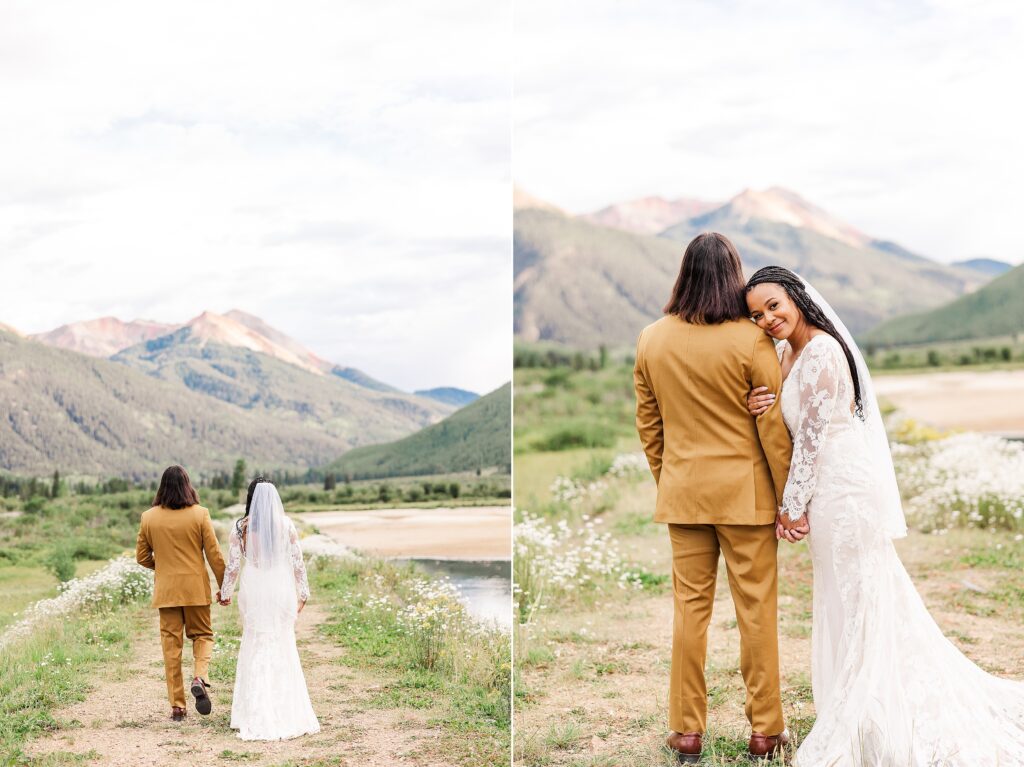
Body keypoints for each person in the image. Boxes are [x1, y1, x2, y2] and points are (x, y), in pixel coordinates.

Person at [744, 265, 1024, 765]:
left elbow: (809, 440)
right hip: (825, 489)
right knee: (847, 596)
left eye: (773, 306)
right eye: (756, 314)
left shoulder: (825, 352)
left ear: (797, 298)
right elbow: (784, 419)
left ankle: (866, 714)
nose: (766, 318)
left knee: (860, 598)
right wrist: (759, 402)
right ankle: (860, 704)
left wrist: (791, 508)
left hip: (843, 489)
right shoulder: (788, 353)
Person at [633, 232, 795, 763]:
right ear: (732, 275)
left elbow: (649, 426)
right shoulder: (751, 340)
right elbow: (771, 425)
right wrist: (787, 495)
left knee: (689, 614)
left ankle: (685, 732)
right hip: (747, 498)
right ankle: (765, 731)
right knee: (756, 614)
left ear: (683, 273)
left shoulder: (650, 339)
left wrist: (671, 479)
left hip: (683, 496)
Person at [218, 477, 320, 741]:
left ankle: (251, 711)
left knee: (255, 640)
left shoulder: (240, 528)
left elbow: (232, 566)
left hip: (254, 589)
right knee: (282, 641)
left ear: (250, 498)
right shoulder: (285, 525)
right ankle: (286, 709)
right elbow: (297, 563)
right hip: (278, 589)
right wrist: (303, 594)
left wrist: (225, 593)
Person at [136, 465, 226, 721]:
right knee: (203, 635)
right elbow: (215, 555)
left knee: (171, 648)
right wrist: (224, 585)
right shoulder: (200, 514)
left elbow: (142, 557)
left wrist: (163, 567)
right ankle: (199, 675)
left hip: (167, 592)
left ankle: (178, 706)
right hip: (196, 588)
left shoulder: (148, 517)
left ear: (161, 487)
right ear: (188, 485)